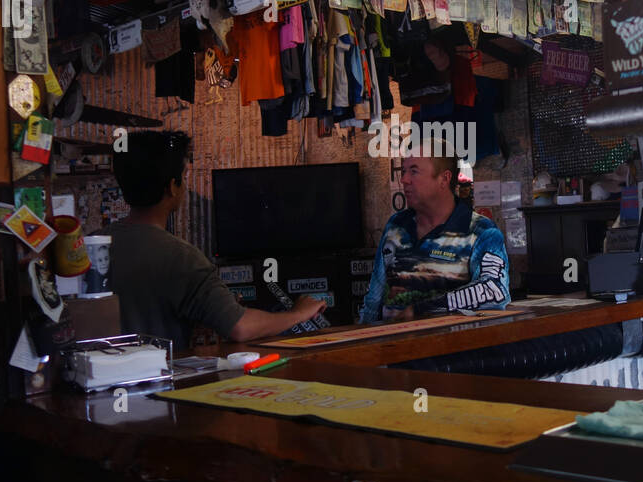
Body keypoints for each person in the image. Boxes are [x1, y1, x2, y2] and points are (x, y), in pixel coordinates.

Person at [108, 130, 326, 349]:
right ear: (172, 187)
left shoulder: (90, 244)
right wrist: (298, 313)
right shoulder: (182, 258)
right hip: (158, 381)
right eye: (183, 178)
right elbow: (241, 327)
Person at [359, 142, 511, 322]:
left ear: (444, 179)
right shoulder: (396, 225)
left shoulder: (481, 231)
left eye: (414, 171)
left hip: (449, 347)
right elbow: (374, 299)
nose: (404, 179)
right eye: (404, 171)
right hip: (391, 347)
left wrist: (421, 310)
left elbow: (493, 291)